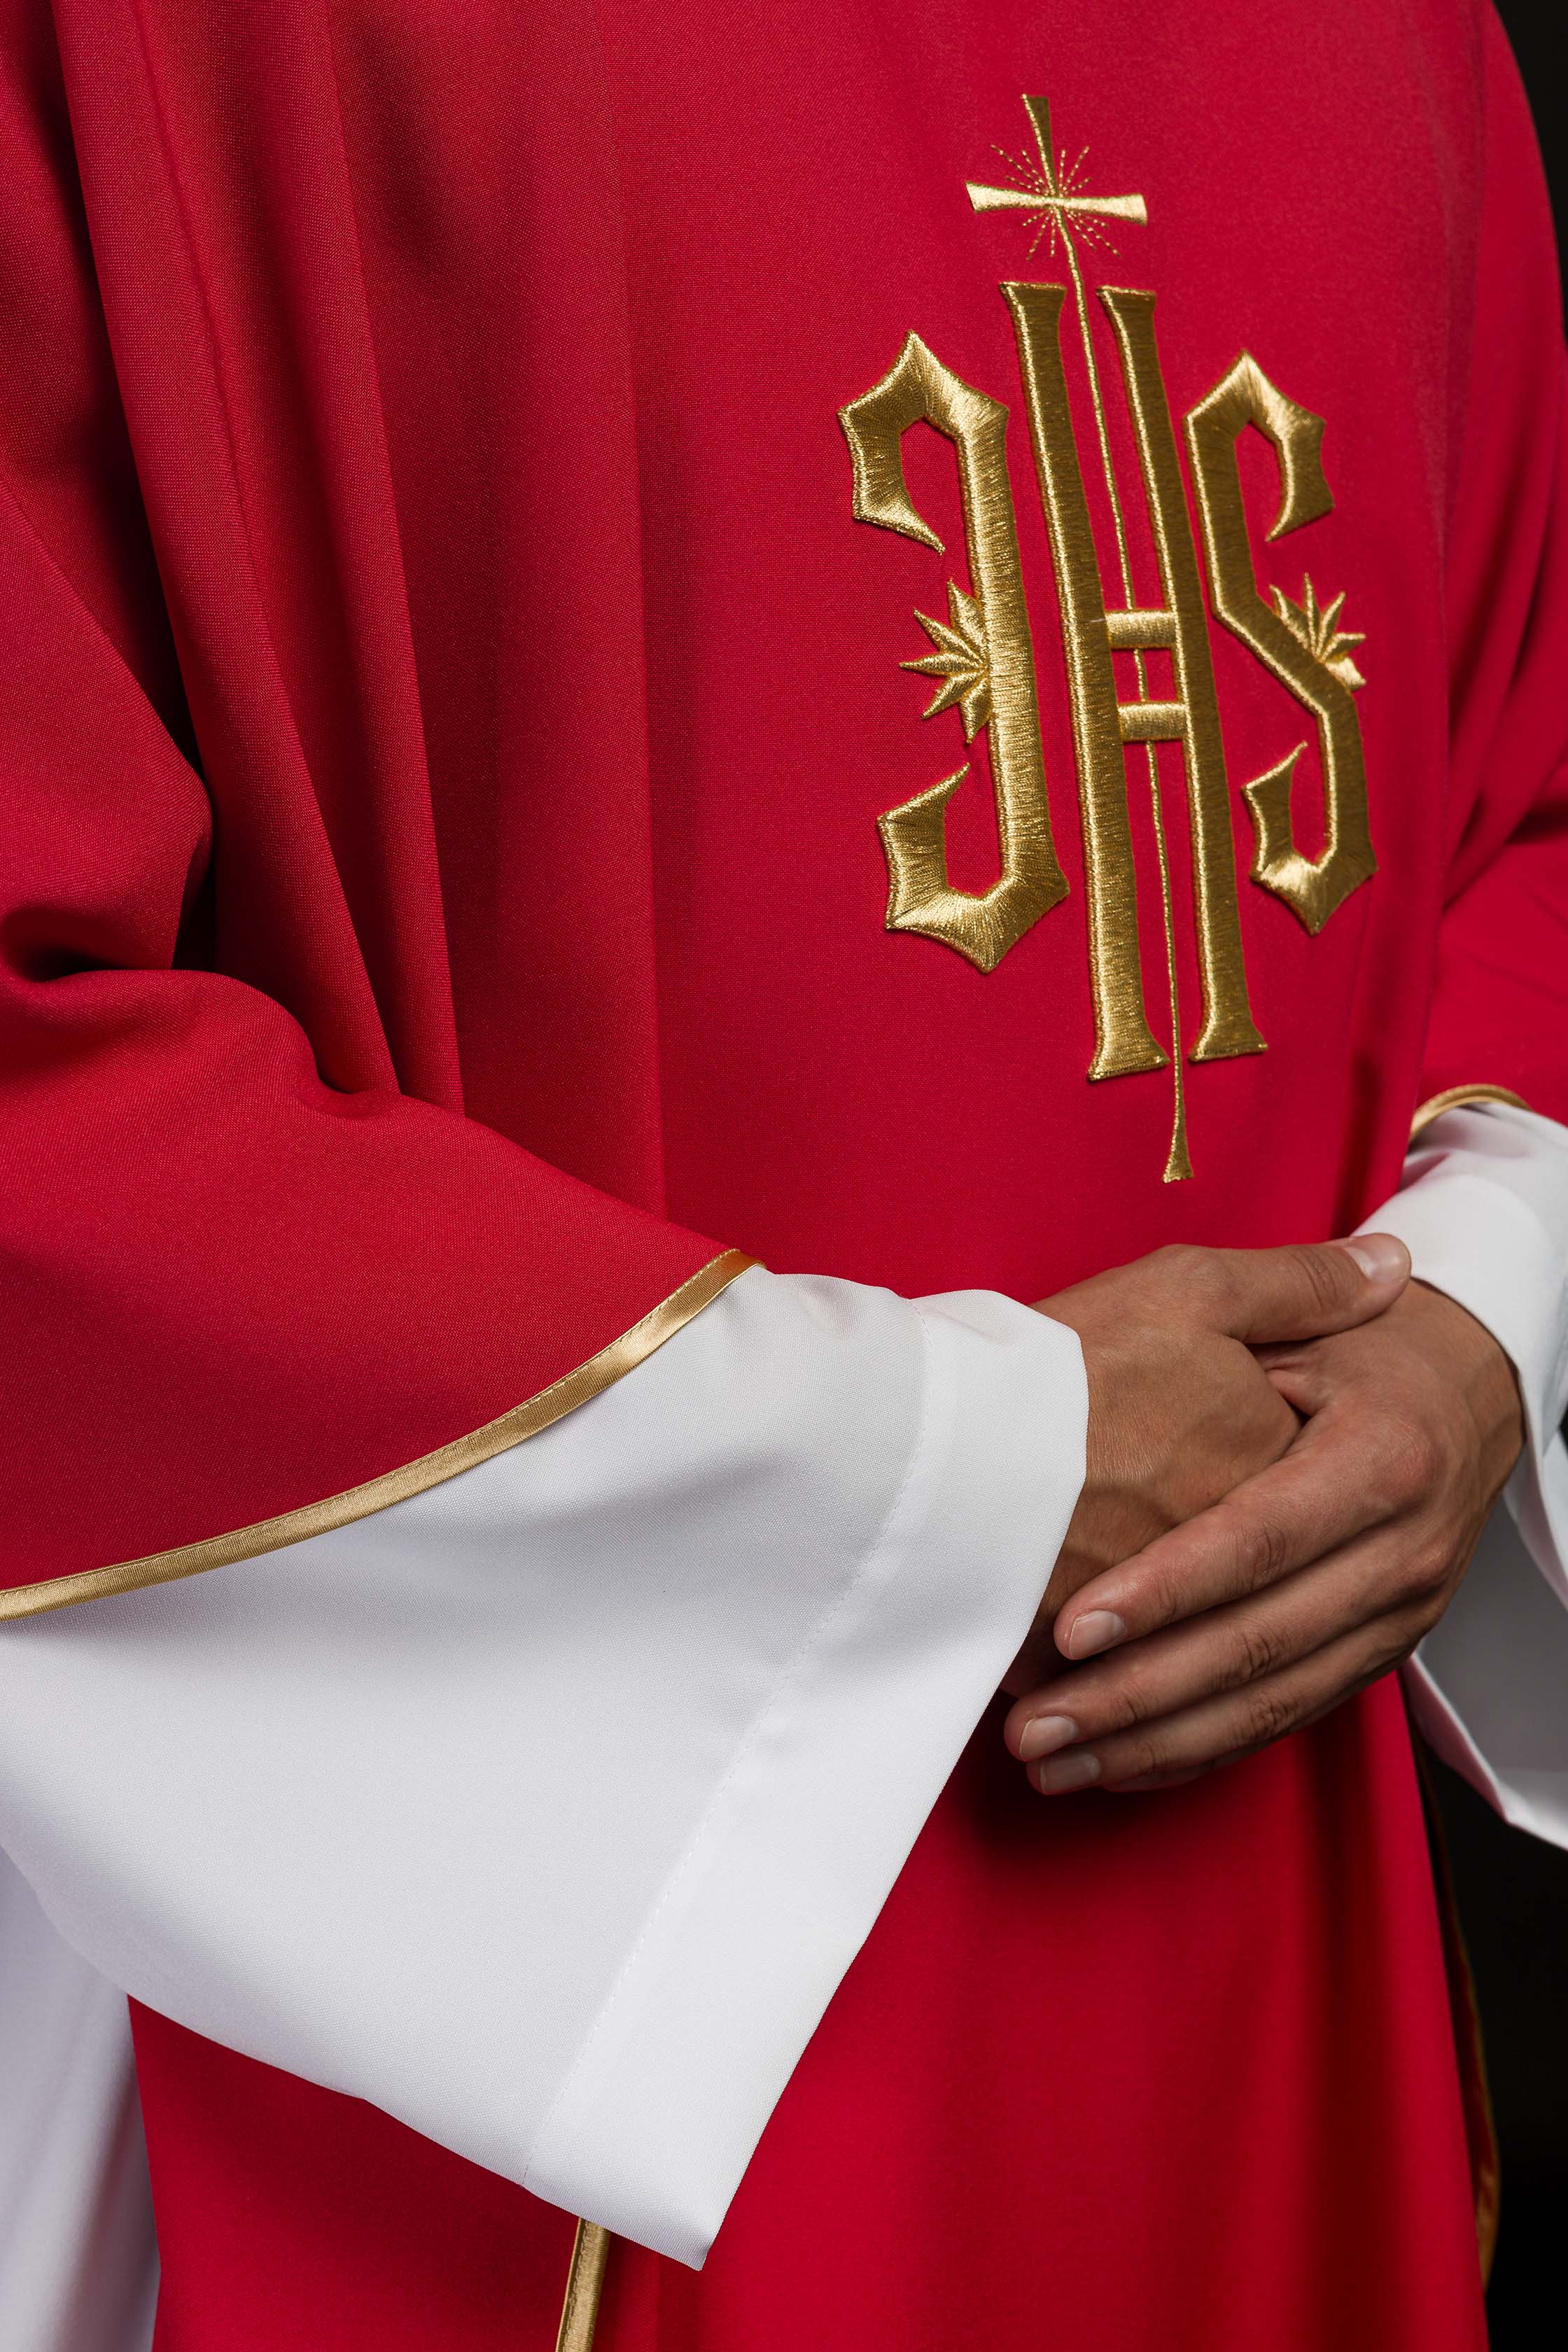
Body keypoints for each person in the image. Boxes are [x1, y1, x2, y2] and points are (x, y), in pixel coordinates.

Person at [0, 1, 1564, 2346]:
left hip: (1268, 1918)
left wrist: (1481, 1316)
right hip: (511, 1970)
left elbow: (1516, 811)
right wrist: (932, 1474)